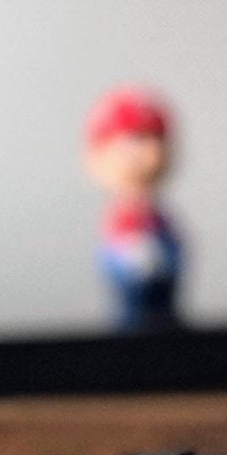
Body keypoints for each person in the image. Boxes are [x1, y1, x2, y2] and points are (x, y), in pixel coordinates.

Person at [84, 87, 185, 331]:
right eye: (135, 140)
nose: (149, 152)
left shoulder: (155, 217)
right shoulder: (126, 220)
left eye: (155, 138)